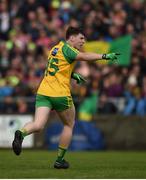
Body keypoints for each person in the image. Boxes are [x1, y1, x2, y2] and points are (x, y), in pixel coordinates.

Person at [12, 26, 120, 169]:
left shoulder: (54, 49)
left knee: (38, 125)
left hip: (44, 92)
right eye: (81, 38)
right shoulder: (69, 49)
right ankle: (59, 160)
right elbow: (85, 57)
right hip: (60, 94)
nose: (83, 41)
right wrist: (105, 56)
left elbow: (56, 68)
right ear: (71, 38)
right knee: (69, 125)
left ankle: (21, 133)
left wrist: (72, 74)